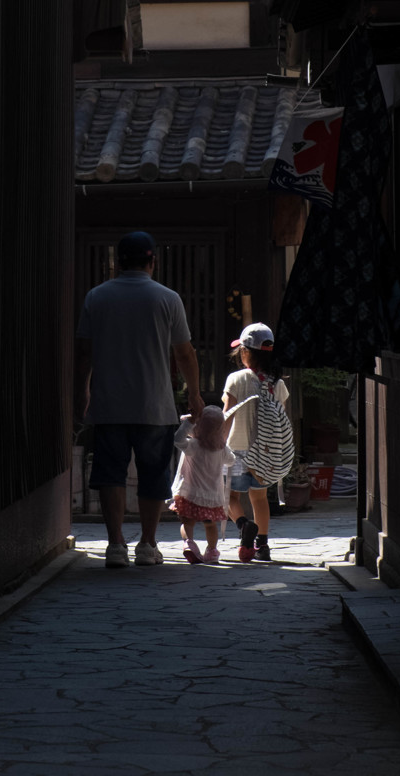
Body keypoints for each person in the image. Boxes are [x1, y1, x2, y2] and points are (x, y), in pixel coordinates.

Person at [75, 231, 205, 569]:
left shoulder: (96, 297)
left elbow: (85, 352)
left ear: (118, 262)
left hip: (109, 403)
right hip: (154, 404)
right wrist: (194, 393)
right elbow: (185, 352)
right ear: (153, 261)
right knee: (152, 475)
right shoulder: (167, 298)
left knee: (110, 474)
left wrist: (82, 390)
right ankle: (148, 545)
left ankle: (116, 545)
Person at [222, 322, 289, 562]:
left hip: (236, 449)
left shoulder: (236, 379)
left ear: (245, 352)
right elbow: (281, 419)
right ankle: (262, 546)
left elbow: (227, 415)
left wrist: (218, 444)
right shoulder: (278, 384)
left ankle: (242, 526)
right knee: (259, 499)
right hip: (265, 452)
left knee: (230, 497)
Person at [169, 406, 236, 565]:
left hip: (190, 493)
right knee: (210, 525)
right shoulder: (221, 449)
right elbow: (232, 460)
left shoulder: (193, 445)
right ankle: (212, 551)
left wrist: (188, 424)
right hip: (212, 497)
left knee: (187, 522)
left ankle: (189, 544)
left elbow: (177, 439)